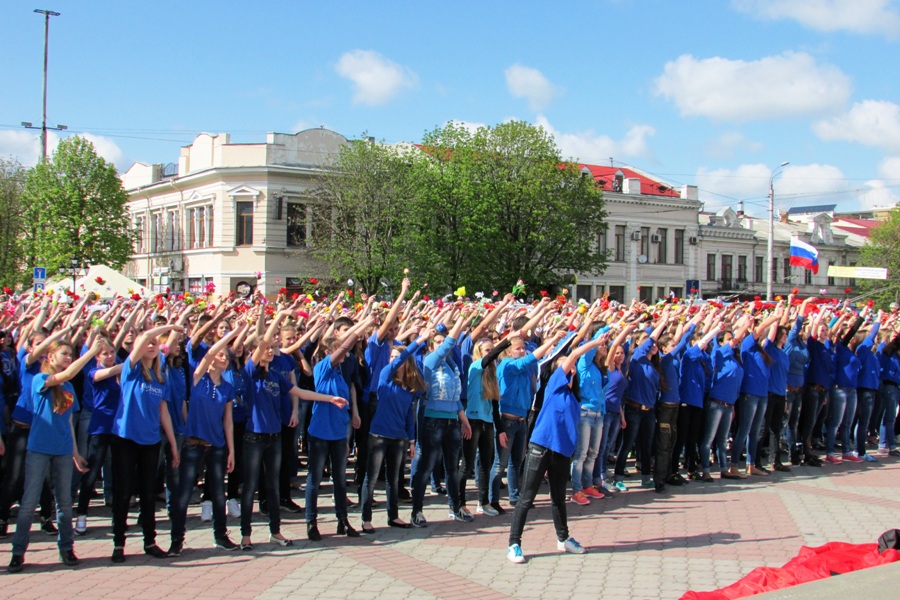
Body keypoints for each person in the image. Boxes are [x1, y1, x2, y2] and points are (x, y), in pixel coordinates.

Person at [239, 306, 348, 550]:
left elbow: (299, 391)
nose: (271, 350)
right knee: (249, 488)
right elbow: (264, 340)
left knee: (274, 485)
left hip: (274, 436)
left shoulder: (275, 376)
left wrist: (329, 399)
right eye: (266, 348)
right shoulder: (251, 373)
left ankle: (275, 531)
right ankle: (246, 535)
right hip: (254, 437)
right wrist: (278, 315)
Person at [506, 331, 601, 564]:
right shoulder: (553, 387)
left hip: (562, 452)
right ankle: (514, 544)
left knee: (558, 498)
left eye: (572, 367)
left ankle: (563, 538)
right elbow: (574, 354)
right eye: (565, 366)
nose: (570, 368)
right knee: (526, 498)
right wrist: (595, 342)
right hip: (541, 447)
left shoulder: (573, 397)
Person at [8, 339, 97, 573]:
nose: (68, 356)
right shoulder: (41, 379)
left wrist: (76, 453)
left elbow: (68, 420)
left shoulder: (68, 388)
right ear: (50, 357)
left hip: (63, 449)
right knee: (28, 503)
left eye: (71, 353)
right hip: (39, 448)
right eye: (64, 353)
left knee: (65, 502)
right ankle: (18, 553)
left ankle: (66, 548)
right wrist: (91, 353)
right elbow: (64, 375)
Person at [168, 324, 247, 555]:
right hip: (193, 444)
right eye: (220, 355)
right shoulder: (197, 378)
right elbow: (211, 353)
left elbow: (228, 421)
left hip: (217, 446)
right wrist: (230, 336)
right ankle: (176, 540)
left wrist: (231, 450)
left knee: (218, 493)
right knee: (183, 493)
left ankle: (220, 536)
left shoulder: (228, 388)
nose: (223, 357)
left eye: (226, 356)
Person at [109, 320, 184, 563]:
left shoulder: (161, 378)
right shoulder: (130, 369)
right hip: (125, 438)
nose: (151, 346)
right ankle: (119, 543)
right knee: (122, 493)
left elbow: (164, 414)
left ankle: (149, 541)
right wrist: (168, 327)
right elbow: (143, 340)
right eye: (148, 343)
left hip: (151, 441)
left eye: (155, 344)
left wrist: (172, 445)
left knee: (148, 494)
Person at [305, 317, 372, 541]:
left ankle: (342, 521)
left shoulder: (341, 376)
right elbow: (345, 343)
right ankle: (311, 522)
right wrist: (365, 322)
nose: (344, 356)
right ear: (328, 353)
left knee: (340, 479)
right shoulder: (322, 368)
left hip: (337, 433)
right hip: (319, 433)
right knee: (314, 480)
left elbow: (344, 405)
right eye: (339, 353)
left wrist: (346, 431)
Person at [360, 326, 429, 532]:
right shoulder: (384, 377)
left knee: (394, 479)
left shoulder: (408, 386)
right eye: (390, 356)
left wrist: (411, 440)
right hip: (379, 435)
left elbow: (409, 415)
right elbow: (400, 359)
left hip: (398, 438)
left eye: (395, 356)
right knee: (371, 478)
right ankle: (366, 519)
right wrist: (418, 340)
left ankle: (393, 516)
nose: (392, 359)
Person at [74, 337, 122, 534]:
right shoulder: (95, 372)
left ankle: (119, 519)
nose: (110, 356)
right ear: (97, 357)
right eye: (105, 354)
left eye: (112, 353)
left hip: (118, 428)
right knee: (92, 472)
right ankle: (82, 515)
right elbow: (110, 371)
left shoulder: (118, 373)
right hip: (100, 427)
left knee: (120, 474)